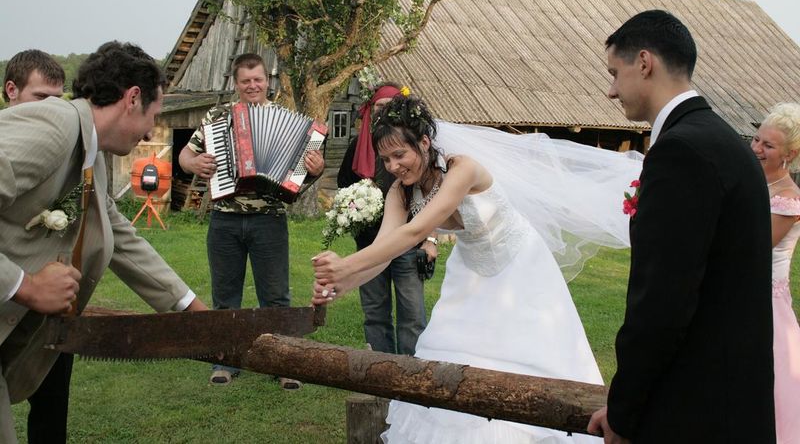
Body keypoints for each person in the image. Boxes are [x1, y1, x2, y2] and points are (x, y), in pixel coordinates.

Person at [313, 95, 642, 443]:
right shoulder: (400, 191)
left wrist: (346, 266)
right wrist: (339, 285)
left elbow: (414, 232)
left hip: (519, 269)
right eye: (386, 159)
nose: (393, 166)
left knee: (529, 360)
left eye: (400, 155)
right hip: (470, 273)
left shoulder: (463, 169)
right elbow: (381, 251)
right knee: (443, 361)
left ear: (424, 143)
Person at [0, 41, 208, 443]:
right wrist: (25, 286)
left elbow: (120, 235)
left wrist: (191, 311)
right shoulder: (55, 126)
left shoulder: (87, 148)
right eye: (153, 113)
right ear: (132, 99)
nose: (151, 129)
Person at [587, 10, 775, 443]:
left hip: (693, 410)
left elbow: (661, 302)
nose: (611, 90)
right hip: (734, 398)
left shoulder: (681, 152)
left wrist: (624, 412)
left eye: (614, 73)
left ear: (645, 63)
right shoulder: (722, 139)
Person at [179, 52, 324, 387]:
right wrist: (194, 163)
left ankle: (282, 362)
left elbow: (298, 179)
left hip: (269, 219)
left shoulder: (289, 120)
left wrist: (314, 172)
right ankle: (225, 362)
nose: (253, 86)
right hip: (224, 220)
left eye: (258, 79)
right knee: (225, 295)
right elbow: (187, 153)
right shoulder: (217, 116)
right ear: (236, 83)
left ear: (266, 81)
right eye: (246, 81)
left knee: (275, 296)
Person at [2, 49, 70, 444]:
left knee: (51, 408)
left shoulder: (66, 150)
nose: (52, 111)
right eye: (41, 99)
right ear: (11, 90)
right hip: (7, 297)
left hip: (49, 311)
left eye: (58, 101)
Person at [337, 83, 433, 355]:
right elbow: (345, 187)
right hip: (371, 242)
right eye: (380, 106)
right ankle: (382, 373)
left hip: (409, 246)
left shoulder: (432, 158)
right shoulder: (361, 149)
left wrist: (431, 239)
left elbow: (427, 209)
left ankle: (412, 372)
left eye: (399, 156)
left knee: (412, 315)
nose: (393, 166)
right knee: (375, 311)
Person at [751, 102, 800, 444]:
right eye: (756, 140)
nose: (757, 149)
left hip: (765, 306)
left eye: (768, 146)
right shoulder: (752, 181)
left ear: (791, 154)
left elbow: (753, 247)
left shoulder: (788, 199)